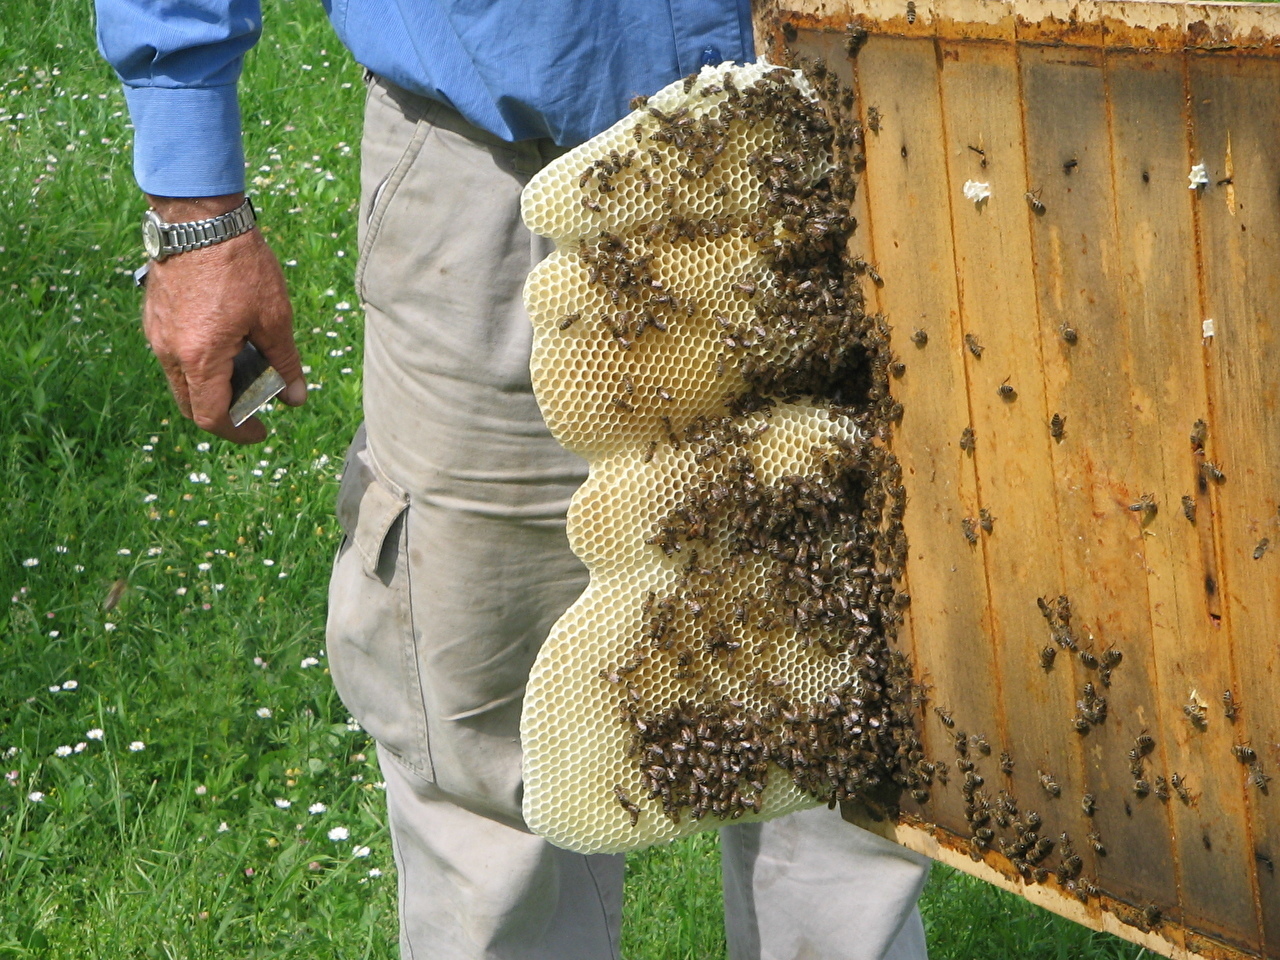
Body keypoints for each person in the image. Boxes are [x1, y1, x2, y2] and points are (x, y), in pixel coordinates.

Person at [94, 2, 932, 957]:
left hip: (866, 142)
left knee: (850, 719)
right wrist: (195, 203)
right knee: (484, 738)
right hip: (499, 175)